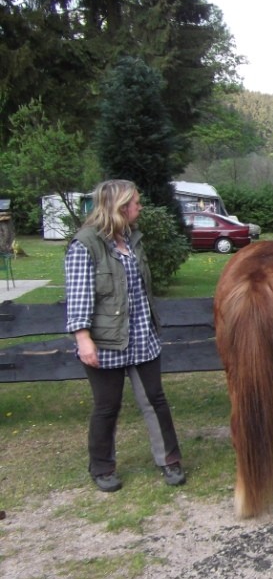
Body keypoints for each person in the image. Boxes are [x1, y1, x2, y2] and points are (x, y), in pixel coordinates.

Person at [65, 179, 185, 492]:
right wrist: (83, 340)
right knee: (107, 406)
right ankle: (102, 467)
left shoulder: (131, 240)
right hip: (105, 342)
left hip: (142, 338)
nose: (140, 207)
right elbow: (79, 298)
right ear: (119, 208)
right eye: (136, 203)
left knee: (154, 400)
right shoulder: (85, 244)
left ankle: (169, 460)